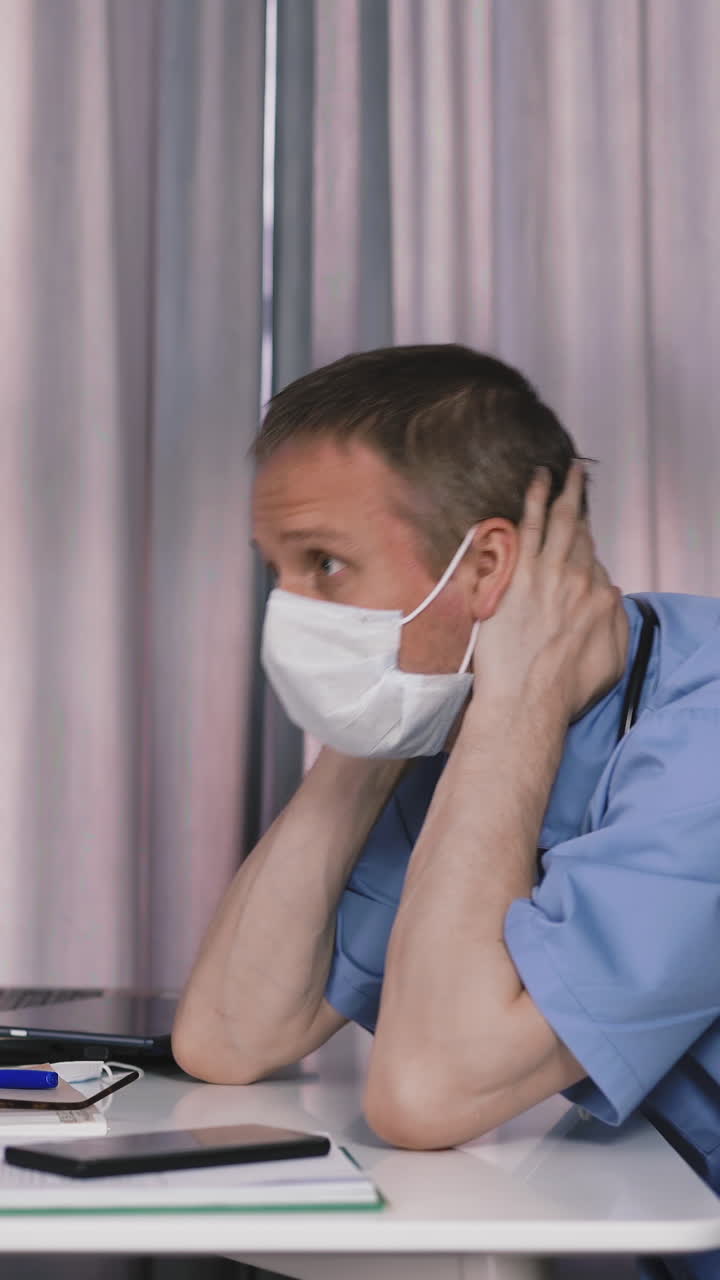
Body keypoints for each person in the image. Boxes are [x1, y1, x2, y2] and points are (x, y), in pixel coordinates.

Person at [172, 345, 720, 1275]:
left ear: (486, 565)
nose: (288, 611)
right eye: (278, 570)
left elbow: (425, 1093)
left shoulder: (700, 727)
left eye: (326, 566)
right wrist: (373, 729)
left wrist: (517, 703)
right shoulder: (456, 735)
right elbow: (230, 1035)